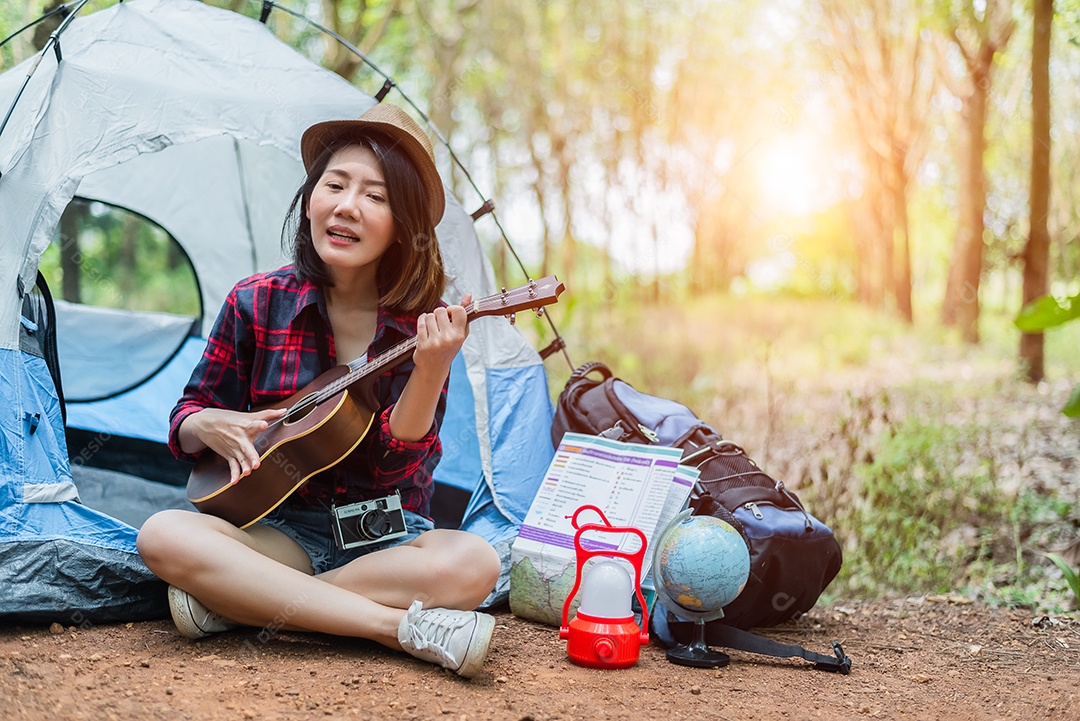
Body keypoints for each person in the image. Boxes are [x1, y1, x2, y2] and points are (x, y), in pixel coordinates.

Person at [136, 103, 501, 679]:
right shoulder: (255, 301)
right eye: (335, 184)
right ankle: (396, 627)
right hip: (282, 531)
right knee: (163, 534)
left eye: (376, 197)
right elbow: (187, 414)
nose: (347, 206)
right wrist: (204, 424)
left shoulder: (424, 326)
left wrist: (430, 370)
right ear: (311, 199)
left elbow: (395, 472)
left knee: (475, 561)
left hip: (385, 538)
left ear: (403, 224)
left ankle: (243, 604)